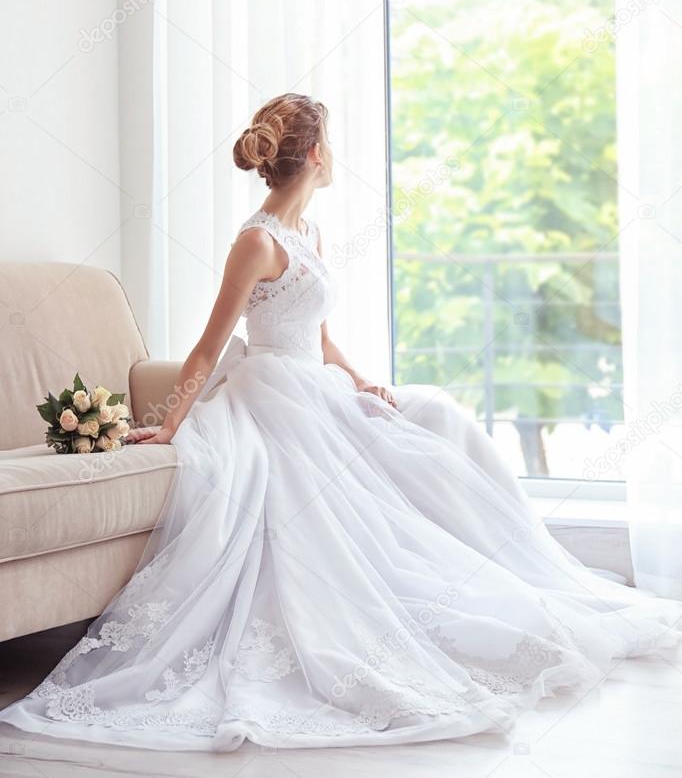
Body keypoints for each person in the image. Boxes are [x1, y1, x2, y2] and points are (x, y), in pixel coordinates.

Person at [1, 93, 680, 753]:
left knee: (430, 417)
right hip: (269, 394)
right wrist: (168, 424)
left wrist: (359, 381)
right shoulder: (257, 243)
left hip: (315, 383)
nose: (337, 157)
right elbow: (208, 346)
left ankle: (513, 571)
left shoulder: (309, 233)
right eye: (333, 144)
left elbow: (320, 336)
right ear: (317, 153)